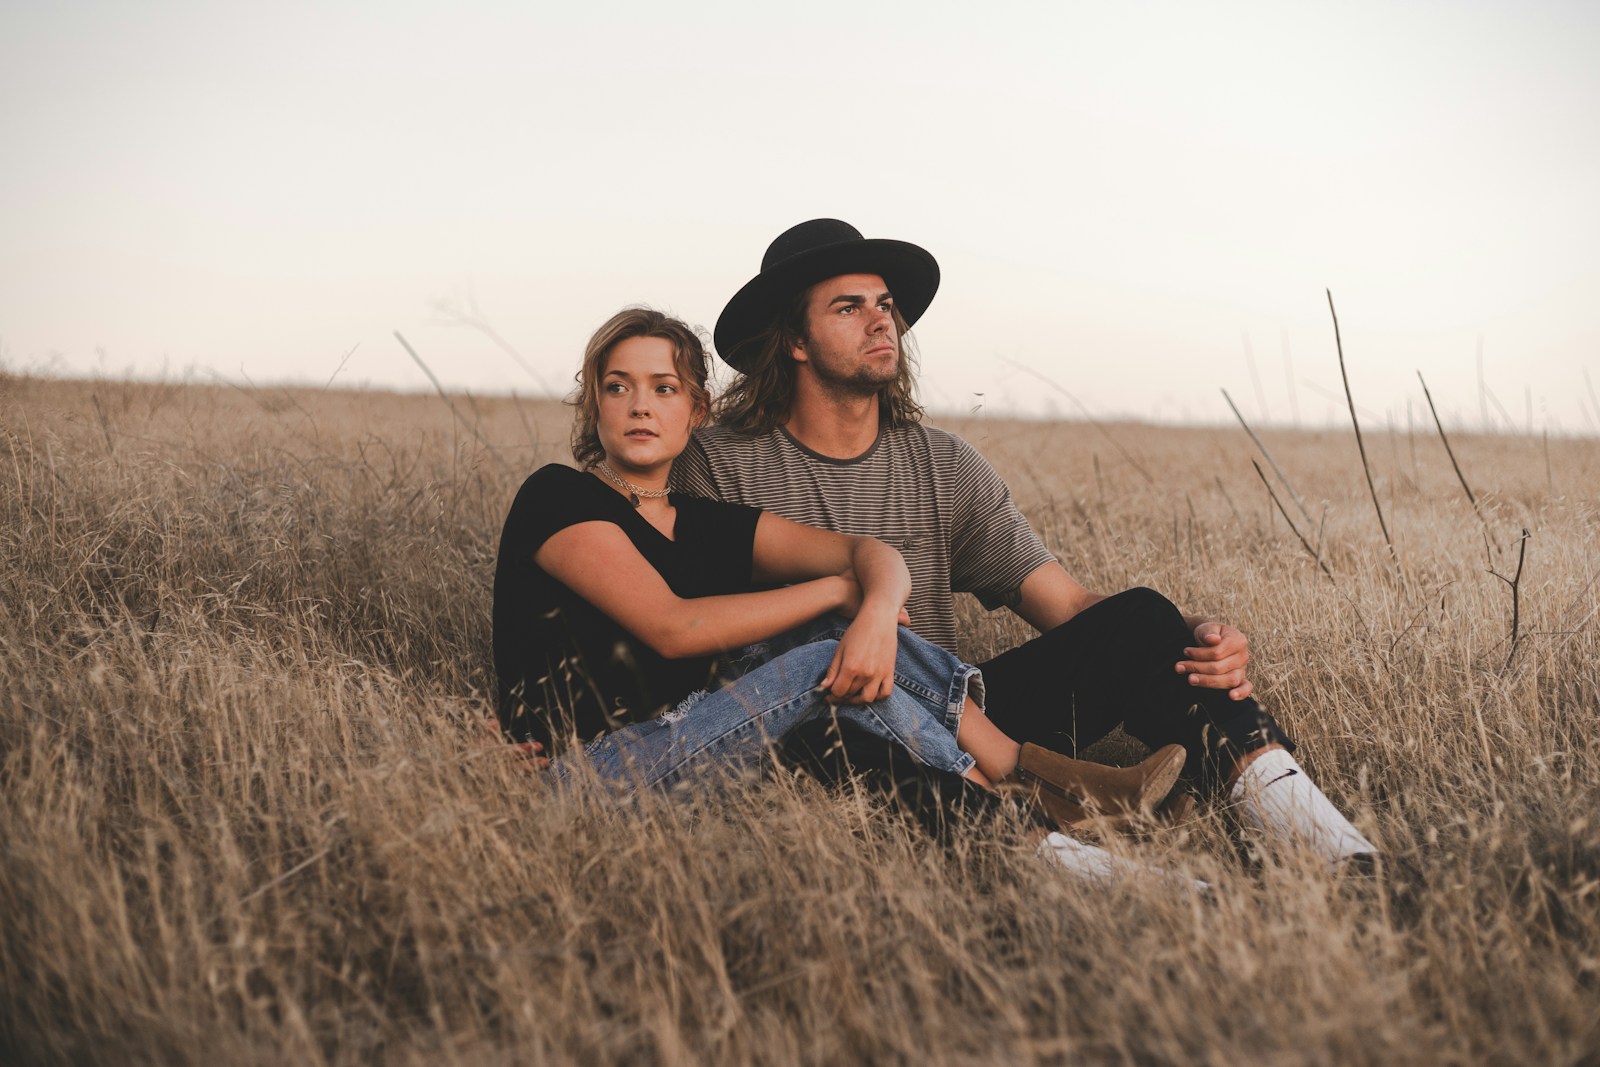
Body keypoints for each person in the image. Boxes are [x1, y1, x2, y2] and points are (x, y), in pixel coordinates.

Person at [670, 219, 1381, 871]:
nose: (881, 320)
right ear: (794, 340)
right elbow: (692, 643)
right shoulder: (719, 465)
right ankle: (1091, 867)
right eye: (848, 307)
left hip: (962, 713)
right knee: (830, 728)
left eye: (885, 303)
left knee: (1144, 619)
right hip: (827, 721)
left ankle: (1330, 847)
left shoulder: (943, 463)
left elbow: (1066, 604)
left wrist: (1189, 636)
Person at [492, 307, 1203, 887]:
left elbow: (877, 557)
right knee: (820, 649)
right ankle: (1037, 787)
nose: (640, 405)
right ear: (594, 402)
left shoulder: (706, 523)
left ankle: (1041, 808)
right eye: (617, 387)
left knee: (842, 643)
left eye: (663, 388)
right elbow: (674, 628)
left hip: (701, 740)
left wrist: (868, 607)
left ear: (697, 409)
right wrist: (840, 594)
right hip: (591, 771)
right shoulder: (558, 497)